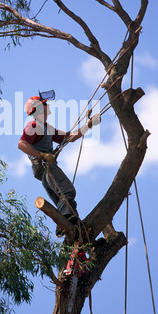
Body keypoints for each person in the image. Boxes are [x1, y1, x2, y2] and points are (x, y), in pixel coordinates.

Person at [18, 92, 100, 236]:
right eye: (45, 104)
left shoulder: (46, 127)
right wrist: (42, 154)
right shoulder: (33, 125)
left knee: (63, 198)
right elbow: (21, 144)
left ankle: (72, 226)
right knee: (68, 191)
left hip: (46, 168)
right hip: (44, 167)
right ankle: (65, 222)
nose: (48, 106)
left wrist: (88, 125)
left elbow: (69, 137)